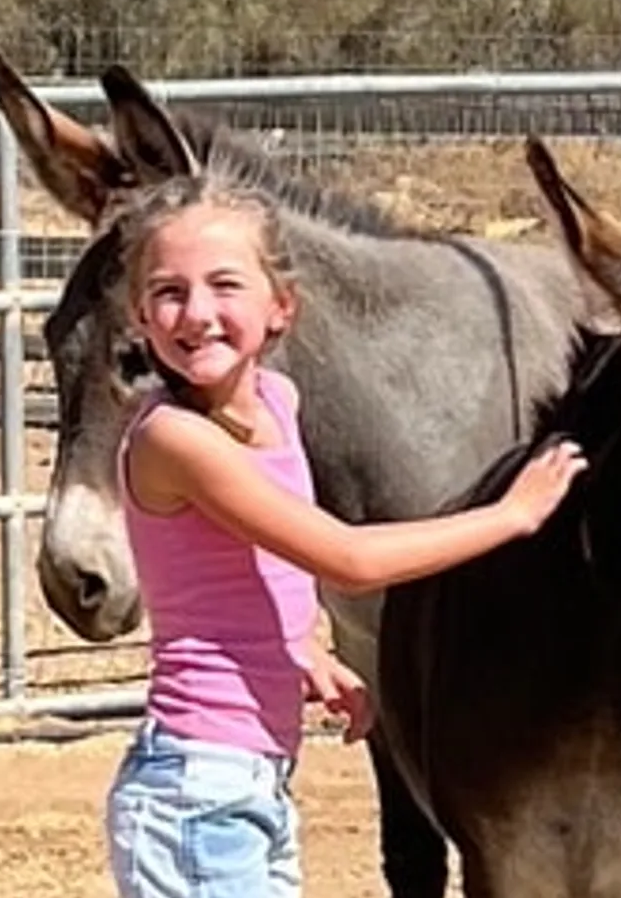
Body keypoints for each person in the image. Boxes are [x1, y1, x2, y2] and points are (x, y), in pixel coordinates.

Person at [102, 175, 588, 898]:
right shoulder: (173, 441)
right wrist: (511, 515)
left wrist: (302, 649)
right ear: (141, 316)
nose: (197, 313)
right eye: (169, 292)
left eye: (224, 285)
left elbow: (244, 562)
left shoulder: (277, 402)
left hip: (250, 783)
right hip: (196, 791)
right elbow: (349, 559)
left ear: (281, 307)